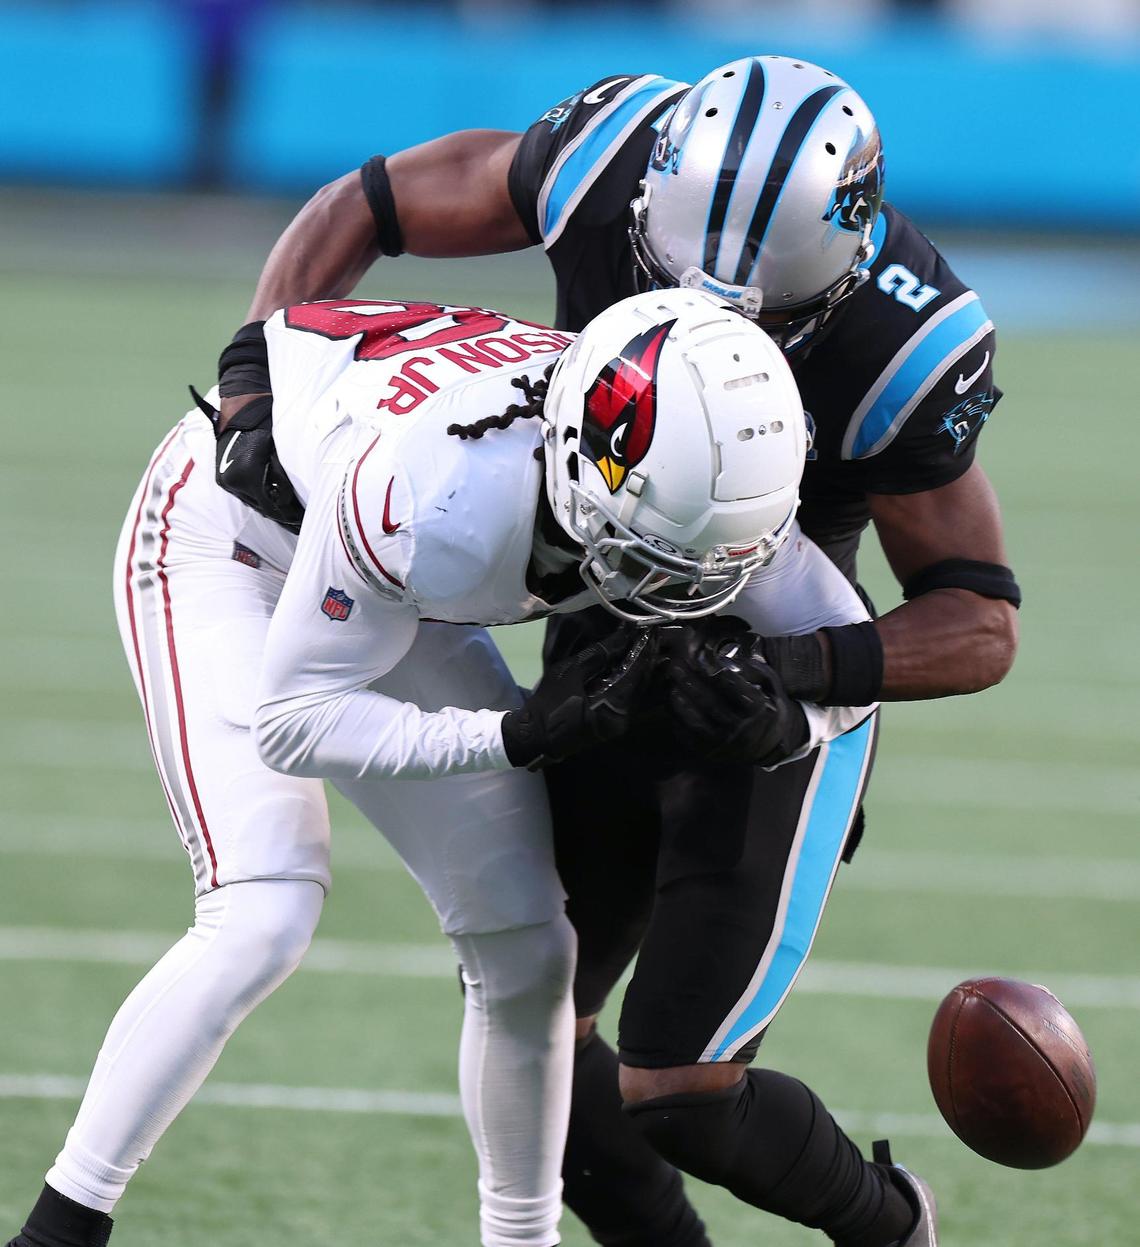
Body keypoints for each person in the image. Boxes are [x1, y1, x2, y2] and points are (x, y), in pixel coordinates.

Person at [192, 54, 1019, 1247]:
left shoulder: (901, 344)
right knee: (534, 1021)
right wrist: (249, 382)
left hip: (769, 670)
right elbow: (366, 203)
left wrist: (796, 675)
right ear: (650, 200)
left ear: (839, 271)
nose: (696, 324)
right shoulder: (606, 155)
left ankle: (894, 1228)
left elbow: (979, 618)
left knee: (680, 1089)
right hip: (598, 620)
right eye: (672, 283)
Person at [6, 288, 876, 1247]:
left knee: (532, 944)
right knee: (264, 907)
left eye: (700, 565)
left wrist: (786, 720)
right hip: (236, 543)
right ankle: (57, 1231)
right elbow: (293, 722)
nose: (676, 591)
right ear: (583, 462)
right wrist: (514, 735)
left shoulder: (700, 479)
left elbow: (855, 657)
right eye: (657, 556)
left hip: (389, 571)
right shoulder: (442, 498)